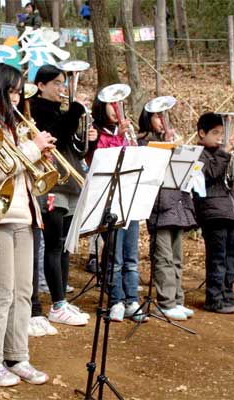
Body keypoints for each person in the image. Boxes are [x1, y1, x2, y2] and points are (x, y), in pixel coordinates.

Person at [0, 63, 53, 387]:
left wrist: (40, 160)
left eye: (19, 92)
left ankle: (17, 355)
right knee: (1, 292)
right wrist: (32, 150)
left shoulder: (16, 127)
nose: (17, 98)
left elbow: (22, 173)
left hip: (25, 215)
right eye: (12, 91)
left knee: (23, 292)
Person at [30, 64, 98, 326]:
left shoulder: (61, 112)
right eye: (57, 83)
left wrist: (88, 137)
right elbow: (54, 134)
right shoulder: (35, 111)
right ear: (41, 86)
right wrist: (75, 112)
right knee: (54, 245)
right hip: (52, 186)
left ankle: (62, 299)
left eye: (63, 83)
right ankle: (56, 304)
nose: (63, 88)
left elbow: (76, 151)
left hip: (71, 185)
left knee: (66, 246)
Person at [90, 92, 145, 322]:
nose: (116, 108)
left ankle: (132, 298)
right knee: (114, 255)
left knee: (131, 255)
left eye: (119, 103)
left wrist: (128, 140)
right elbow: (103, 158)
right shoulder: (97, 134)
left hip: (129, 200)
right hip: (110, 202)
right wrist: (118, 137)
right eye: (111, 104)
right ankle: (116, 300)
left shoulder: (124, 135)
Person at [138, 106, 197, 321]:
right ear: (147, 118)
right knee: (163, 257)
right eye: (156, 116)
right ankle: (166, 302)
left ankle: (177, 299)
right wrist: (165, 146)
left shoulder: (170, 142)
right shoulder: (144, 142)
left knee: (177, 257)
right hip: (158, 205)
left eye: (165, 116)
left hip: (177, 204)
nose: (162, 120)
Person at [193, 112, 234, 314]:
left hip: (231, 210)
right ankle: (213, 298)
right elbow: (208, 175)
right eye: (215, 133)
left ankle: (227, 293)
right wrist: (225, 153)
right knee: (217, 257)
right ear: (201, 133)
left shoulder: (223, 155)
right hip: (212, 212)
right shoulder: (198, 154)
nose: (219, 137)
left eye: (221, 133)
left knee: (232, 256)